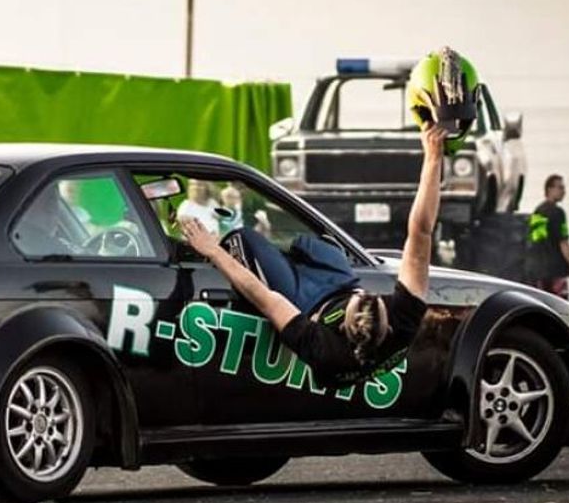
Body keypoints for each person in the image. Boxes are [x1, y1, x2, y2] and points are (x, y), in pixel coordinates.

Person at [182, 125, 445, 385]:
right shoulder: (404, 320)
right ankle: (281, 244)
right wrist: (433, 158)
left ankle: (264, 244)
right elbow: (421, 232)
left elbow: (263, 297)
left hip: (303, 300)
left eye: (359, 300)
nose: (366, 294)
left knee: (243, 238)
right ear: (388, 325)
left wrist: (212, 250)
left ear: (342, 326)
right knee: (313, 239)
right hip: (341, 281)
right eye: (369, 296)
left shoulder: (324, 350)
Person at [526, 174, 569, 301]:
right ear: (549, 189)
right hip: (556, 270)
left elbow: (537, 241)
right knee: (561, 305)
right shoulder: (558, 212)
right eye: (560, 188)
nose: (564, 191)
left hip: (539, 270)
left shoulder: (538, 212)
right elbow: (564, 243)